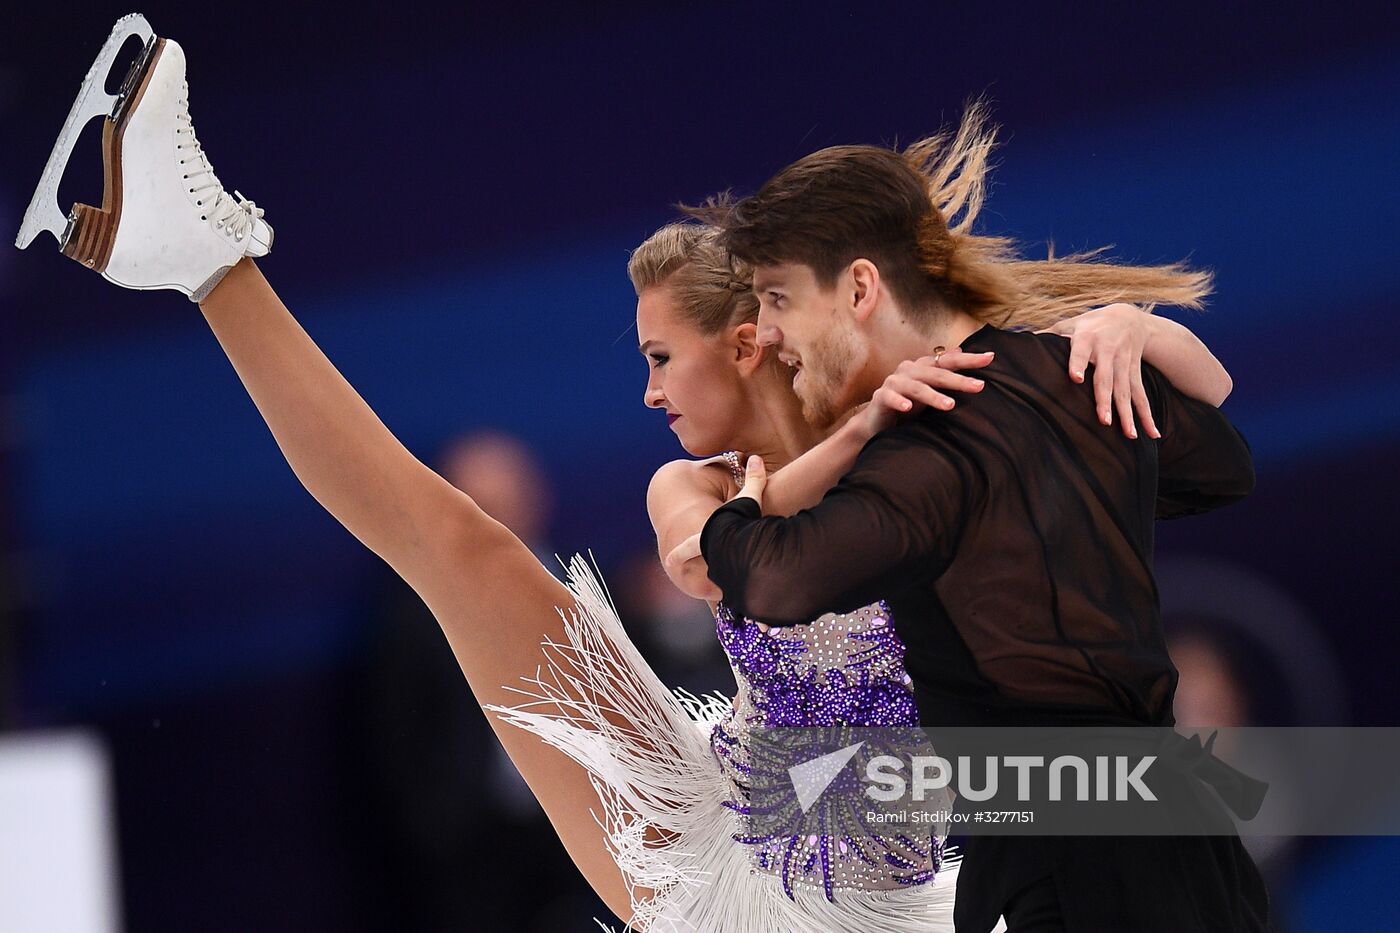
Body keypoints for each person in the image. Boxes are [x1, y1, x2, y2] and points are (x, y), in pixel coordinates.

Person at [19, 22, 1237, 930]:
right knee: (456, 547)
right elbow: (718, 549)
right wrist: (862, 438)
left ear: (750, 339)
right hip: (753, 828)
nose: (648, 392)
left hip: (857, 902)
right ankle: (197, 260)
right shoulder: (707, 488)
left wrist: (1133, 329)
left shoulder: (928, 430)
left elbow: (1170, 429)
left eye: (663, 355)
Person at [689, 123, 1271, 932]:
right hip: (1196, 850)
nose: (771, 330)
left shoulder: (927, 451)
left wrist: (746, 501)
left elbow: (770, 577)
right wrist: (1140, 331)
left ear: (861, 289)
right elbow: (1224, 465)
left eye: (779, 297)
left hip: (1076, 867)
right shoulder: (1068, 376)